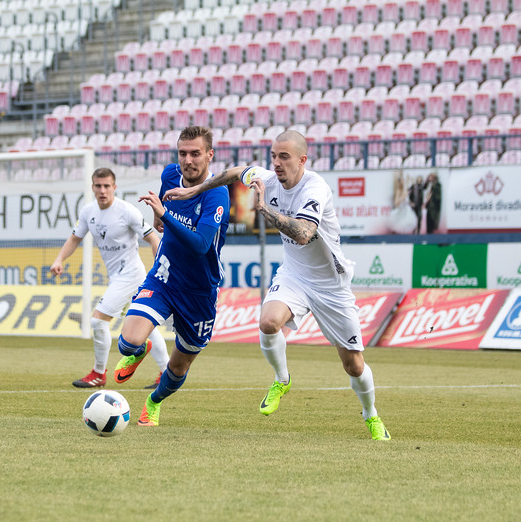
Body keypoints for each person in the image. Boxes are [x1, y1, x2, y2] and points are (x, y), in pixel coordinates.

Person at [164, 130, 390, 440]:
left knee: (353, 364)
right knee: (268, 322)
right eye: (273, 156)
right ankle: (282, 379)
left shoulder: (315, 188)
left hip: (330, 284)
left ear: (302, 160)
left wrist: (264, 209)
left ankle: (371, 414)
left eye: (284, 157)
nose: (277, 163)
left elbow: (304, 233)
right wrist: (196, 190)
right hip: (294, 274)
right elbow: (234, 173)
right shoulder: (267, 178)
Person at [111, 126, 229, 426]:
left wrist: (164, 215)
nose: (188, 160)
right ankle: (140, 350)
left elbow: (201, 245)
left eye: (195, 154)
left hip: (199, 291)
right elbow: (163, 203)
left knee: (178, 368)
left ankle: (153, 402)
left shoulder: (217, 193)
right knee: (127, 342)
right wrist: (158, 216)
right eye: (182, 153)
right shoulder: (170, 174)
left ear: (210, 155)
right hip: (164, 276)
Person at [51, 167, 170, 389]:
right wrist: (59, 260)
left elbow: (154, 238)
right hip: (117, 276)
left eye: (107, 186)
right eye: (98, 186)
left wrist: (158, 269)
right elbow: (75, 238)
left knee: (98, 320)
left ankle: (98, 374)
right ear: (92, 187)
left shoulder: (127, 211)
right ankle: (167, 373)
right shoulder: (88, 212)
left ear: (114, 187)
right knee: (146, 325)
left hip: (131, 275)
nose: (103, 190)